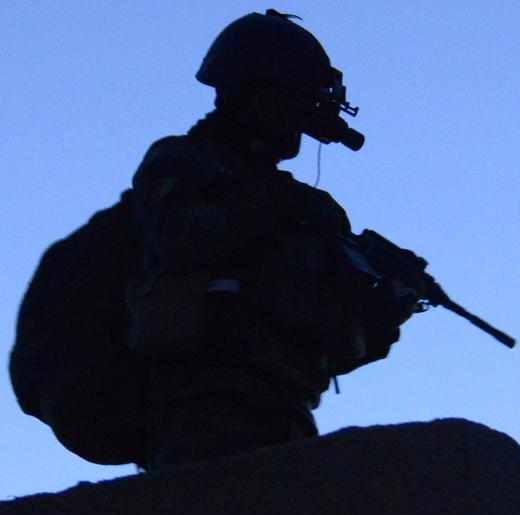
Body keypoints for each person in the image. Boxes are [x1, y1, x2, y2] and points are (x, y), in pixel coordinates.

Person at [124, 10, 419, 470]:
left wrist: (385, 311)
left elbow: (331, 343)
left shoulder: (305, 209)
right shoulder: (183, 161)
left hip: (289, 421)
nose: (296, 120)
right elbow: (181, 237)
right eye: (289, 102)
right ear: (252, 93)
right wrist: (279, 200)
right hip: (200, 416)